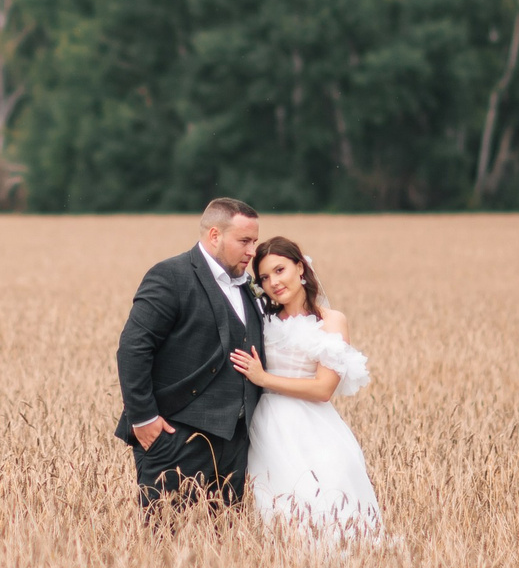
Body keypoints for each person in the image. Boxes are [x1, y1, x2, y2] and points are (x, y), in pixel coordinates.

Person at [113, 197, 268, 512]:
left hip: (235, 445)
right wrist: (143, 419)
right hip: (175, 437)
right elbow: (133, 347)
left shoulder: (247, 285)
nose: (252, 251)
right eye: (244, 241)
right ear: (214, 236)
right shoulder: (171, 275)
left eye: (255, 241)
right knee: (166, 543)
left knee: (222, 547)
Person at [232, 237, 383, 545]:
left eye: (280, 270)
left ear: (299, 267)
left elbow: (324, 388)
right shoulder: (263, 319)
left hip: (313, 426)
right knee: (278, 511)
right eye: (264, 277)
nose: (273, 282)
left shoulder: (331, 321)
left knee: (326, 506)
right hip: (267, 427)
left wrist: (264, 378)